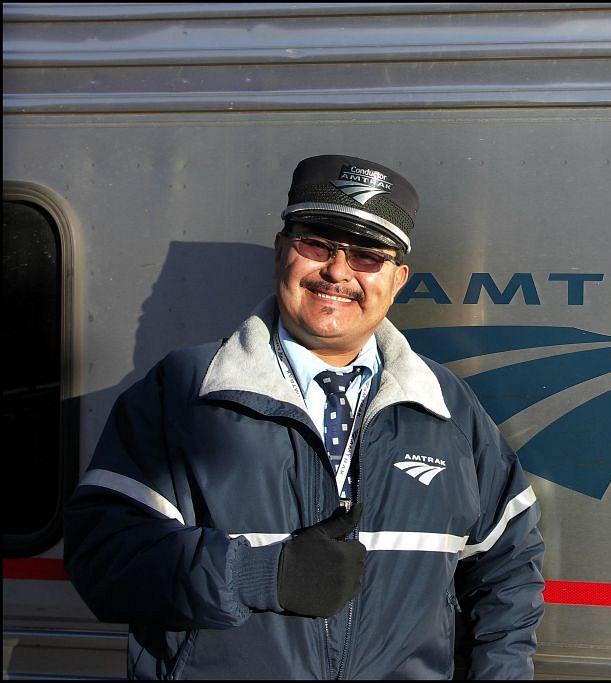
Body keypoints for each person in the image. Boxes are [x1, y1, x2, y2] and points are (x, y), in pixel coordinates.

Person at [63, 154, 546, 680]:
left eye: (367, 256)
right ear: (281, 251)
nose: (338, 271)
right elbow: (102, 558)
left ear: (398, 279)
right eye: (317, 244)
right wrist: (254, 576)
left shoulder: (447, 408)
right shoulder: (182, 392)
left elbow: (508, 565)